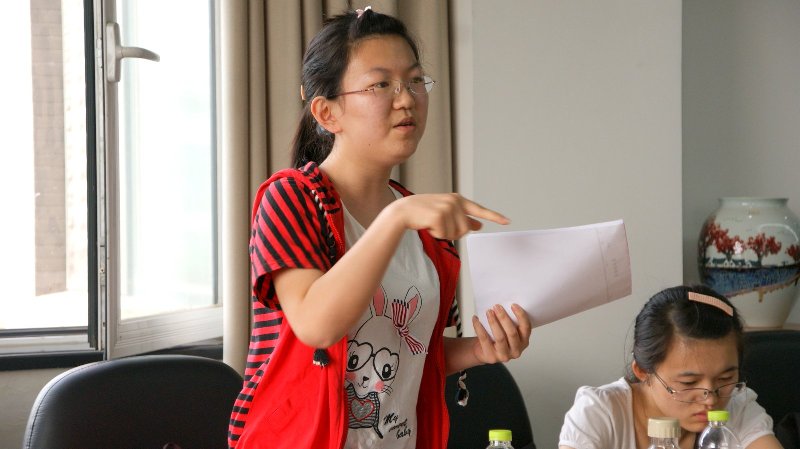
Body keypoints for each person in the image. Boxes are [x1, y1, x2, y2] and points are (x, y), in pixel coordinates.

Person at [228, 7, 532, 449]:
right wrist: (396, 218)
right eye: (380, 85)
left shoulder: (421, 223)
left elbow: (411, 350)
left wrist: (480, 350)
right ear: (327, 113)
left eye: (414, 80)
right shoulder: (292, 198)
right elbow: (316, 325)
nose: (406, 98)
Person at [558, 285, 783, 449]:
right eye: (689, 382)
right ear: (643, 371)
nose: (710, 400)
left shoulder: (737, 405)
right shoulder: (600, 413)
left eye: (725, 378)